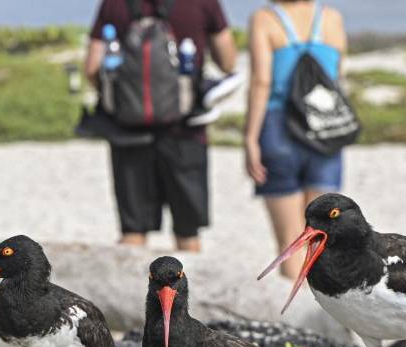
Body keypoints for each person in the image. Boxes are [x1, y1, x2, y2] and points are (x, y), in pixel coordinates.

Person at [86, 0, 238, 251]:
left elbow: (92, 67)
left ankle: (131, 286)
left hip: (128, 133)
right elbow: (228, 62)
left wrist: (121, 100)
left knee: (133, 232)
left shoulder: (113, 3)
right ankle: (188, 287)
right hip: (186, 132)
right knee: (187, 233)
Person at [245, 0, 347, 279]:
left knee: (292, 240)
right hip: (323, 129)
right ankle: (318, 315)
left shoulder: (264, 19)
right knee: (321, 237)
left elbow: (261, 82)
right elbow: (337, 77)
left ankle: (295, 313)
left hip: (278, 127)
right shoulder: (331, 18)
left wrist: (251, 138)